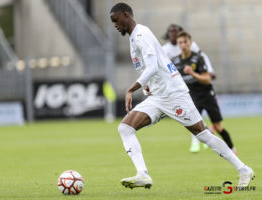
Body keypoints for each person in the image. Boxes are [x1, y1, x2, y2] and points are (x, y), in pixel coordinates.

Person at [109, 2, 254, 189]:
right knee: (126, 128)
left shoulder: (141, 34)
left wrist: (132, 89)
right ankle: (143, 174)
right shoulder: (133, 37)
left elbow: (153, 67)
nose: (115, 24)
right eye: (112, 22)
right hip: (157, 97)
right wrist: (147, 88)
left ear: (127, 15)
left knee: (202, 134)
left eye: (117, 20)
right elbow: (153, 66)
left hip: (173, 94)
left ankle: (243, 170)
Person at [171, 31, 237, 154]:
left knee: (218, 127)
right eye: (180, 42)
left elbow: (207, 79)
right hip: (192, 96)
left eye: (185, 42)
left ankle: (232, 148)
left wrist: (192, 73)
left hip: (207, 94)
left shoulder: (198, 58)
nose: (183, 44)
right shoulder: (175, 61)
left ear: (190, 43)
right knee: (194, 124)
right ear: (178, 45)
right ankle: (210, 135)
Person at [162, 24, 218, 153]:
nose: (174, 35)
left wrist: (209, 71)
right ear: (168, 34)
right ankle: (207, 134)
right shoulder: (164, 49)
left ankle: (196, 143)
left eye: (176, 32)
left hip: (194, 84)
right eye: (171, 32)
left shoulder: (191, 45)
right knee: (191, 113)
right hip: (178, 86)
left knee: (191, 113)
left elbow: (202, 57)